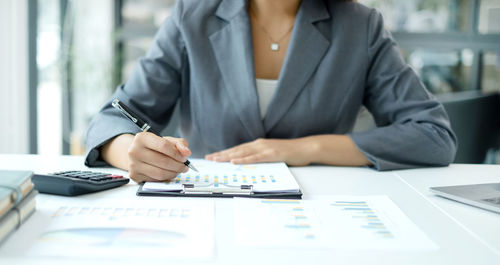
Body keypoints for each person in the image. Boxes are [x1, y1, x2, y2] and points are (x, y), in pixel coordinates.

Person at [85, 0, 457, 183]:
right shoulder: (192, 16)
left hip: (322, 212)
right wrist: (126, 151)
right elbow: (116, 115)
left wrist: (305, 148)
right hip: (208, 208)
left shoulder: (360, 26)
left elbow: (433, 135)